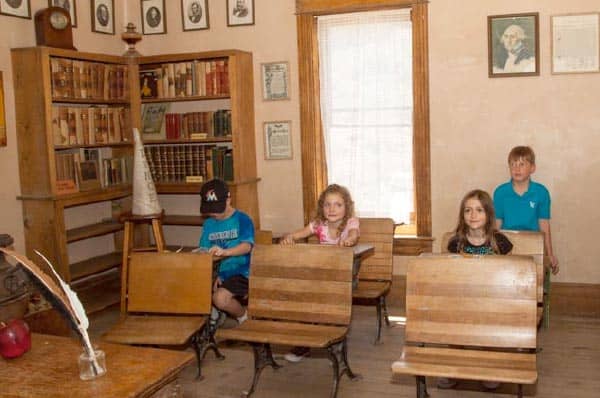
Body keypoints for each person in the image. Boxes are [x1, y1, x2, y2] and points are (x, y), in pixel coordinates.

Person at [437, 189, 512, 391]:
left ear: (488, 214)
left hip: (491, 300)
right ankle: (454, 365)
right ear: (462, 215)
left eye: (479, 210)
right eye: (468, 210)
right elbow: (448, 274)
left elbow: (509, 274)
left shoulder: (501, 242)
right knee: (453, 320)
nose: (473, 215)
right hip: (462, 298)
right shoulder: (455, 242)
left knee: (490, 324)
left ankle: (489, 366)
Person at [280, 183, 360, 362]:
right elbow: (298, 234)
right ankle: (303, 344)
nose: (332, 209)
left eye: (338, 205)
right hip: (320, 276)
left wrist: (349, 241)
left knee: (328, 302)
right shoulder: (318, 224)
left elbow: (354, 235)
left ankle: (335, 340)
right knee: (302, 299)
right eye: (327, 204)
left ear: (346, 207)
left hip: (344, 277)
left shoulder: (351, 223)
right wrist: (289, 238)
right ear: (321, 207)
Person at [493, 146, 559, 274]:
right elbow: (496, 225)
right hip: (507, 242)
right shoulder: (500, 192)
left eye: (522, 164)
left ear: (532, 168)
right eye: (513, 164)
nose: (516, 168)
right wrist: (492, 250)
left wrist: (550, 254)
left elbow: (544, 225)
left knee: (534, 279)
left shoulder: (541, 192)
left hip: (533, 243)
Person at [198, 179, 255, 326]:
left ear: (228, 200)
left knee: (220, 299)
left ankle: (243, 316)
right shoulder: (209, 224)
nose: (213, 213)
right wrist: (217, 274)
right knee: (192, 284)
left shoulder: (242, 219)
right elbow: (204, 250)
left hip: (244, 272)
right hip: (222, 272)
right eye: (209, 208)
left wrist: (225, 252)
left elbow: (247, 246)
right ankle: (212, 315)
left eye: (217, 208)